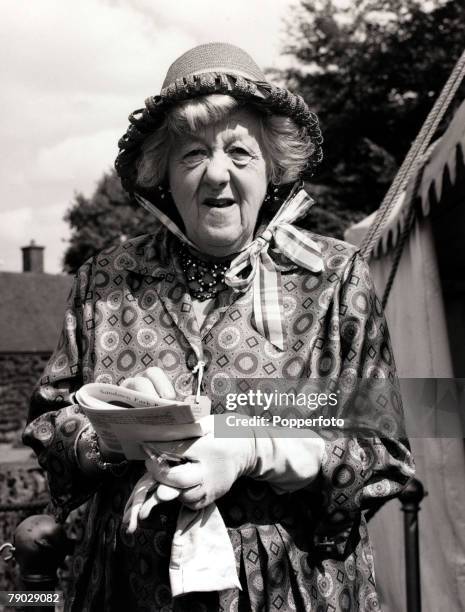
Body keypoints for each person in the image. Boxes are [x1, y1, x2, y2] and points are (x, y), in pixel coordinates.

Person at [23, 42, 414, 611]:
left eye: (239, 151)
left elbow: (383, 454)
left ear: (271, 167)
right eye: (192, 154)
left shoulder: (333, 277)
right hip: (130, 593)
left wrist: (258, 448)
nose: (217, 174)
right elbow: (47, 423)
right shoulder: (104, 281)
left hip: (297, 590)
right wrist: (112, 432)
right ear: (163, 172)